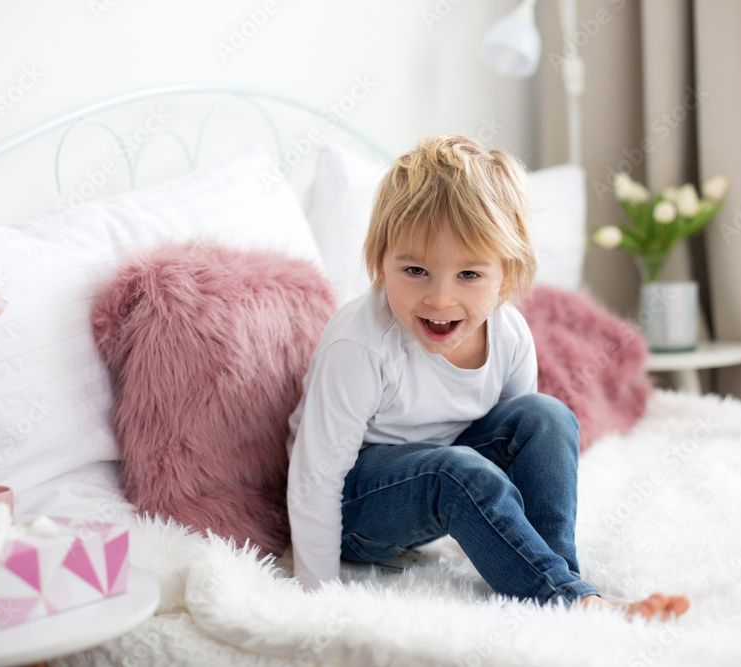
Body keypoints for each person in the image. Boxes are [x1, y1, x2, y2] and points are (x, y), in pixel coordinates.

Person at [286, 134, 689, 619]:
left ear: (508, 275)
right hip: (357, 507)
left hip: (445, 482)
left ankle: (561, 581)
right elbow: (317, 478)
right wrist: (314, 598)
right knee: (456, 470)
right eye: (415, 270)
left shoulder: (510, 334)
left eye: (469, 275)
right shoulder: (360, 343)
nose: (438, 299)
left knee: (546, 416)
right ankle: (570, 602)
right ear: (380, 263)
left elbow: (522, 455)